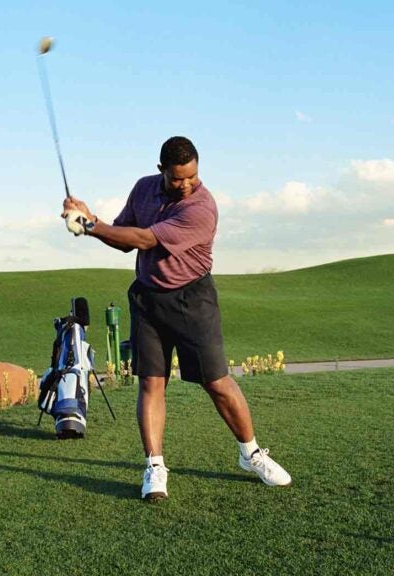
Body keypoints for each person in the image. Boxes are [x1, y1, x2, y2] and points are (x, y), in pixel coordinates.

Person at [62, 136, 291, 501]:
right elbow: (124, 240)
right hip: (149, 299)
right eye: (177, 178)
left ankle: (251, 454)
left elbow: (145, 239)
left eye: (192, 177)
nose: (186, 185)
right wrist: (92, 222)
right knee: (152, 383)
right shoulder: (144, 189)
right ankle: (154, 465)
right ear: (161, 171)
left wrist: (90, 225)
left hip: (192, 299)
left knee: (217, 382)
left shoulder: (202, 207)